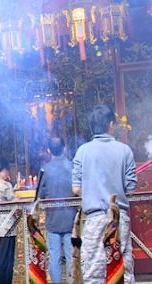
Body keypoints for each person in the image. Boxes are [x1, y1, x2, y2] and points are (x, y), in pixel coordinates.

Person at [72, 104, 137, 284]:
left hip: (93, 219)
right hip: (119, 218)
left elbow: (76, 188)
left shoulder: (82, 151)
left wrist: (93, 192)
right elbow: (130, 188)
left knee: (93, 271)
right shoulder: (125, 150)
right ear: (110, 124)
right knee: (123, 266)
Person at [39, 137, 77, 283]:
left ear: (49, 151)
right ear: (64, 148)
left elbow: (40, 194)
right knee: (71, 255)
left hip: (52, 219)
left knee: (54, 257)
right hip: (70, 219)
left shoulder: (45, 169)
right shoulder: (72, 166)